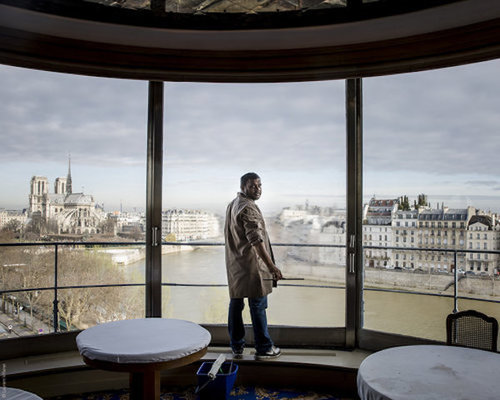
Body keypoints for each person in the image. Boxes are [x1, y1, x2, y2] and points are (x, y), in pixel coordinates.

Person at [224, 172, 283, 360]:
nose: (257, 189)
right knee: (258, 304)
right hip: (251, 265)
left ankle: (236, 346)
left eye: (259, 185)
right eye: (252, 186)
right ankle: (264, 347)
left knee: (236, 303)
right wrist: (272, 267)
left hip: (236, 263)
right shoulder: (248, 208)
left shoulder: (233, 204)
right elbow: (256, 241)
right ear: (243, 187)